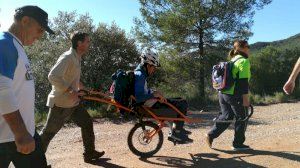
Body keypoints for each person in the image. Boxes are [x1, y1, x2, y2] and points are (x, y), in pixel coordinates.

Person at [0, 5, 54, 168]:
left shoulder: (17, 47)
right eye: (39, 30)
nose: (40, 36)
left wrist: (27, 130)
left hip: (24, 132)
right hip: (9, 137)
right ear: (25, 21)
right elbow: (2, 90)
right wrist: (21, 133)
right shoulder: (5, 44)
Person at [40, 31, 105, 163]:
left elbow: (73, 79)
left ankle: (89, 153)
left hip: (73, 103)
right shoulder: (68, 57)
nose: (89, 44)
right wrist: (70, 90)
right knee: (48, 134)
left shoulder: (77, 57)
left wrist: (86, 89)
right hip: (61, 104)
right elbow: (52, 76)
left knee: (87, 123)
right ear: (79, 43)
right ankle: (32, 162)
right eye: (87, 41)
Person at [134, 49, 193, 143]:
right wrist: (154, 94)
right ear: (148, 65)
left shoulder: (139, 73)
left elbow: (142, 92)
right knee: (182, 103)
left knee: (179, 100)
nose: (154, 70)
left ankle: (178, 129)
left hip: (151, 102)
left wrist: (155, 93)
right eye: (154, 67)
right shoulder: (140, 75)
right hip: (152, 105)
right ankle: (177, 132)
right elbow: (139, 97)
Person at [206, 40, 252, 151]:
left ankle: (211, 135)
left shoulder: (232, 60)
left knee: (226, 117)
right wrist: (245, 99)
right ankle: (238, 144)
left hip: (222, 94)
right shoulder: (244, 61)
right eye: (247, 46)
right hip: (235, 95)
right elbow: (243, 83)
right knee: (242, 118)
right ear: (242, 48)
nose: (249, 48)